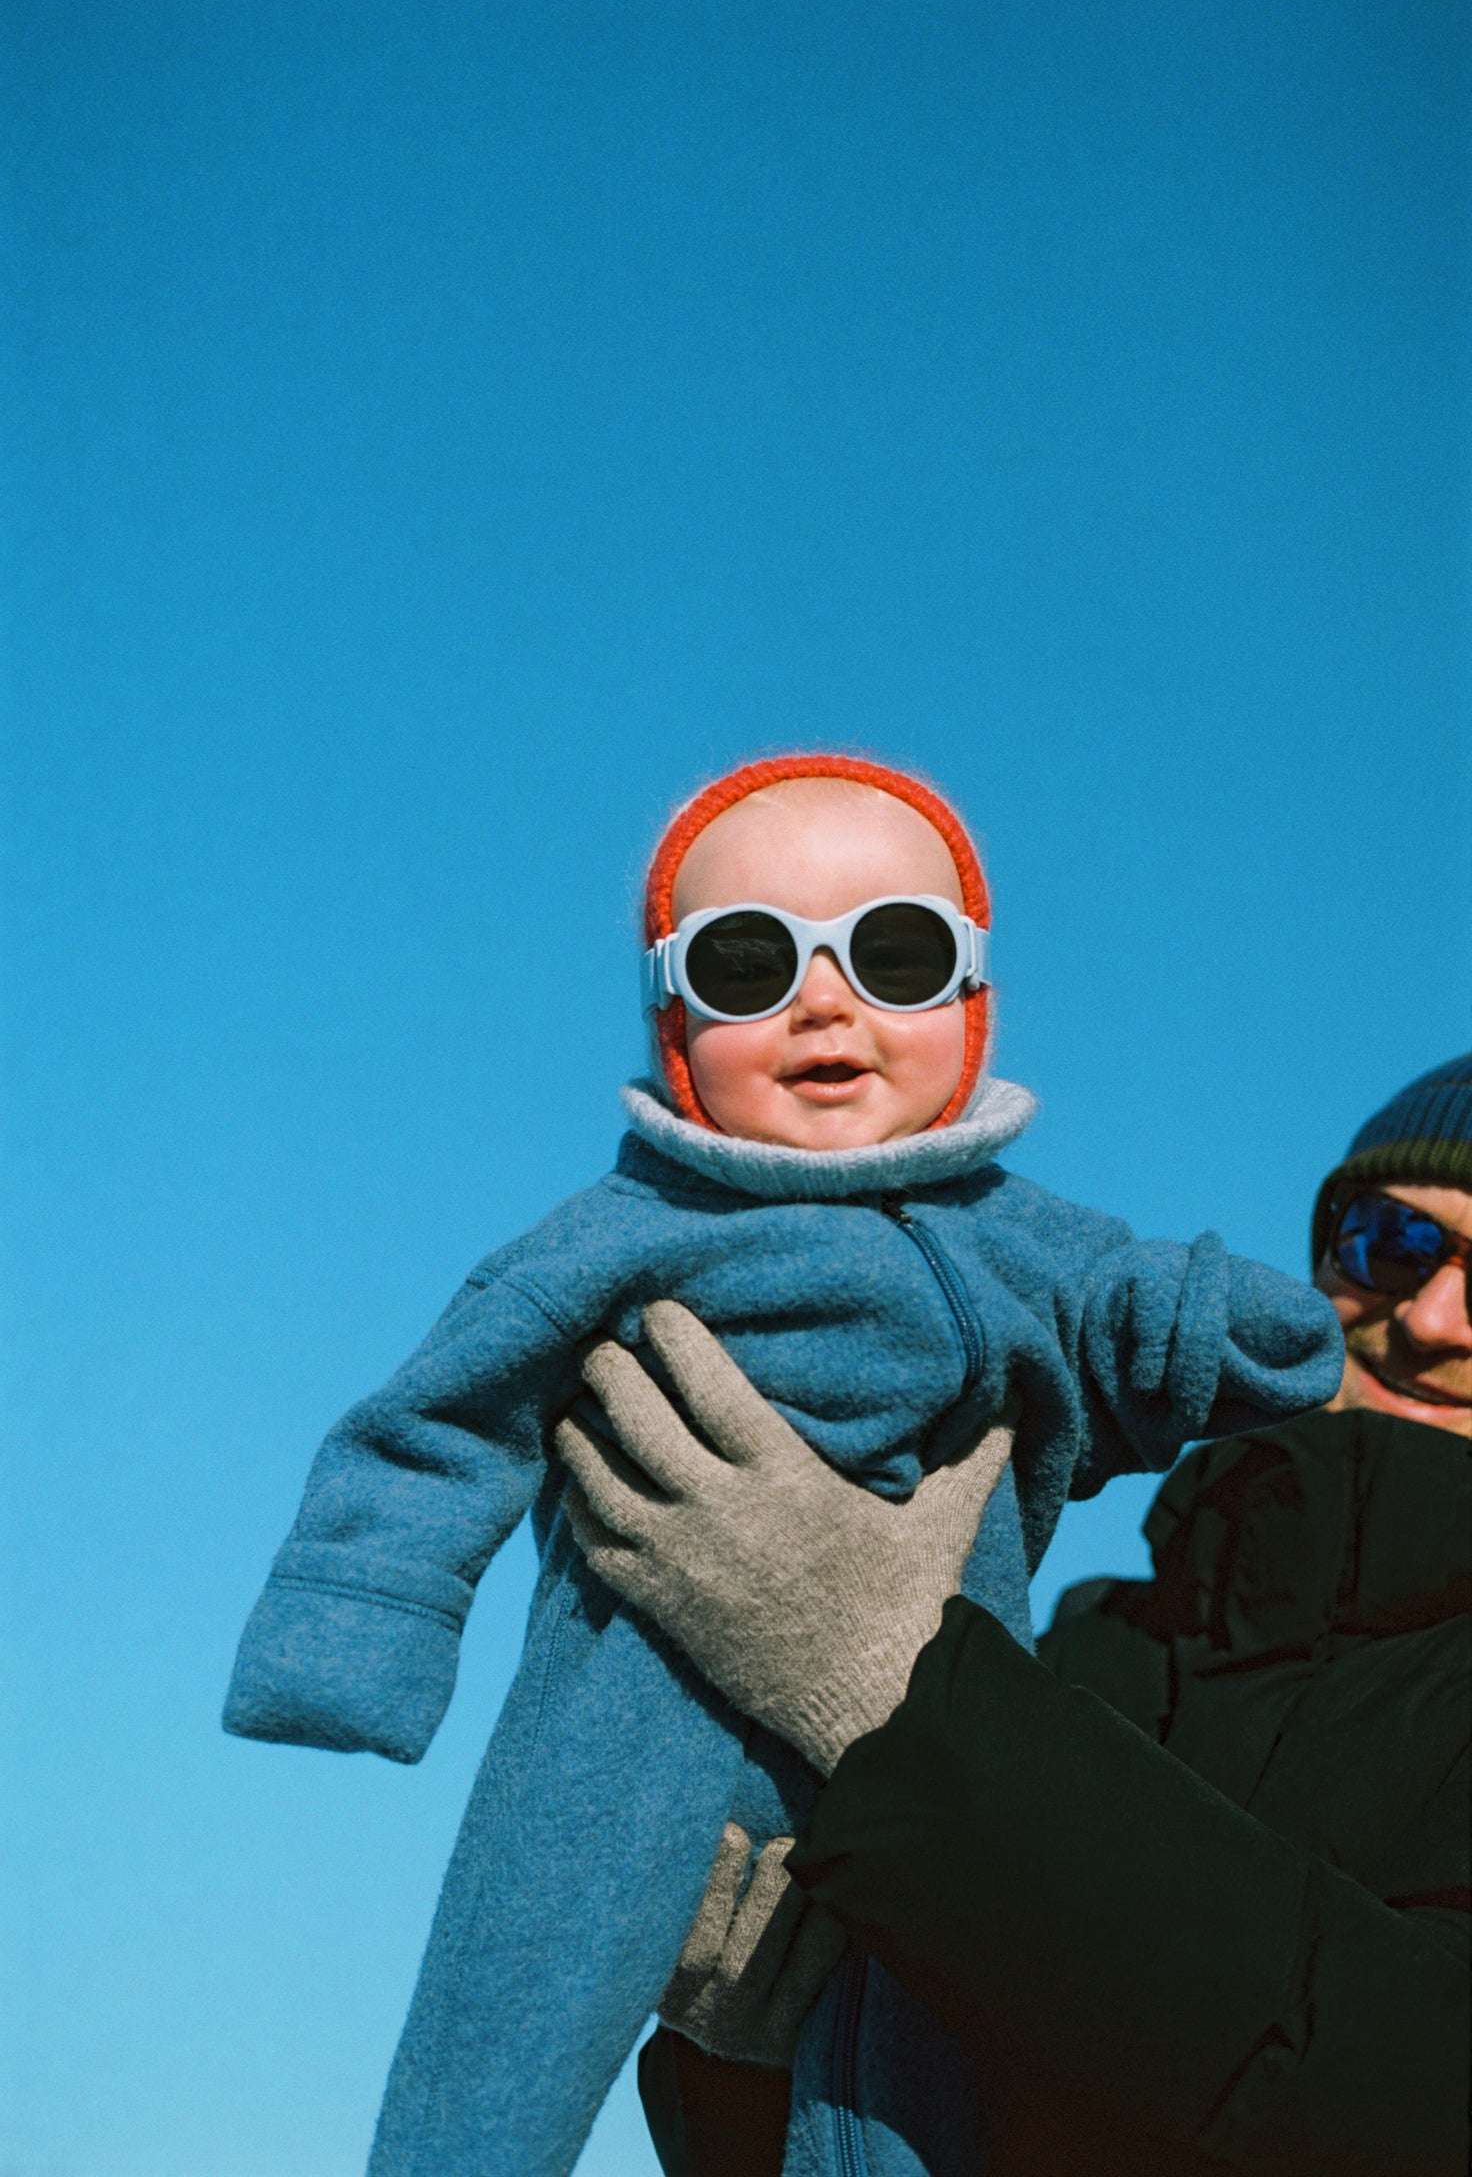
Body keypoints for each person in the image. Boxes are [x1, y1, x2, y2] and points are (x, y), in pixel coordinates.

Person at [222, 753, 1343, 2177]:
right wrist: (358, 1630)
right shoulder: (621, 1232)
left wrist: (1220, 1330)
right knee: (522, 1992)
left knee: (926, 2060)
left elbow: (1129, 1314)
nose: (826, 1001)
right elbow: (441, 1418)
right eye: (749, 963)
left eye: (896, 954)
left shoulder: (1014, 1229)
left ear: (972, 1003)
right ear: (674, 1018)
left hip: (936, 1722)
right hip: (629, 1707)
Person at [562, 1051, 1472, 2177]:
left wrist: (891, 1706)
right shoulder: (1091, 1654)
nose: (1431, 1316)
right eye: (1396, 1241)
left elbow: (1413, 2092)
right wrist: (757, 2072)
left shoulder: (983, 1709)